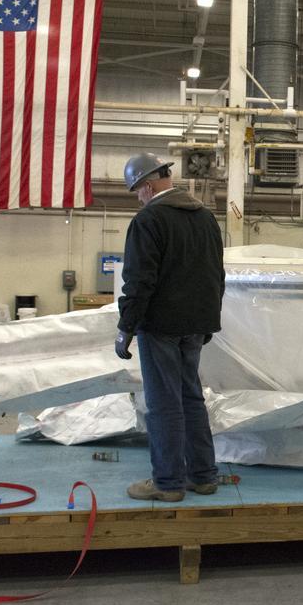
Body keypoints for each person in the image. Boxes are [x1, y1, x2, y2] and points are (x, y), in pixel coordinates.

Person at [115, 152, 225, 502]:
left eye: (137, 191)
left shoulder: (149, 220)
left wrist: (126, 327)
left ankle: (167, 482)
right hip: (195, 325)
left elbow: (138, 281)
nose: (138, 197)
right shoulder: (206, 218)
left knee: (163, 403)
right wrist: (207, 322)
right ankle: (203, 476)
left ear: (148, 186)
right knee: (191, 398)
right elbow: (216, 277)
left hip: (160, 326)